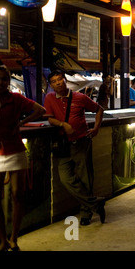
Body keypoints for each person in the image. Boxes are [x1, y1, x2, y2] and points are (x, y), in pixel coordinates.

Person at [44, 70, 105, 226]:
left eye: (60, 80)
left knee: (86, 178)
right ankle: (95, 203)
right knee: (65, 178)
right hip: (63, 145)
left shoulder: (80, 97)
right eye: (54, 81)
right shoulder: (49, 98)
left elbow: (99, 109)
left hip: (81, 142)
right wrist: (62, 124)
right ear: (51, 85)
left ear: (65, 80)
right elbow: (49, 118)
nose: (58, 83)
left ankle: (86, 213)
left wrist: (96, 128)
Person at [0, 65, 46, 251]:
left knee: (18, 195)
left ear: (8, 82)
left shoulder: (16, 99)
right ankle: (2, 239)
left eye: (4, 79)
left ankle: (14, 238)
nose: (1, 82)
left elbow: (40, 110)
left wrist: (20, 123)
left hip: (16, 150)